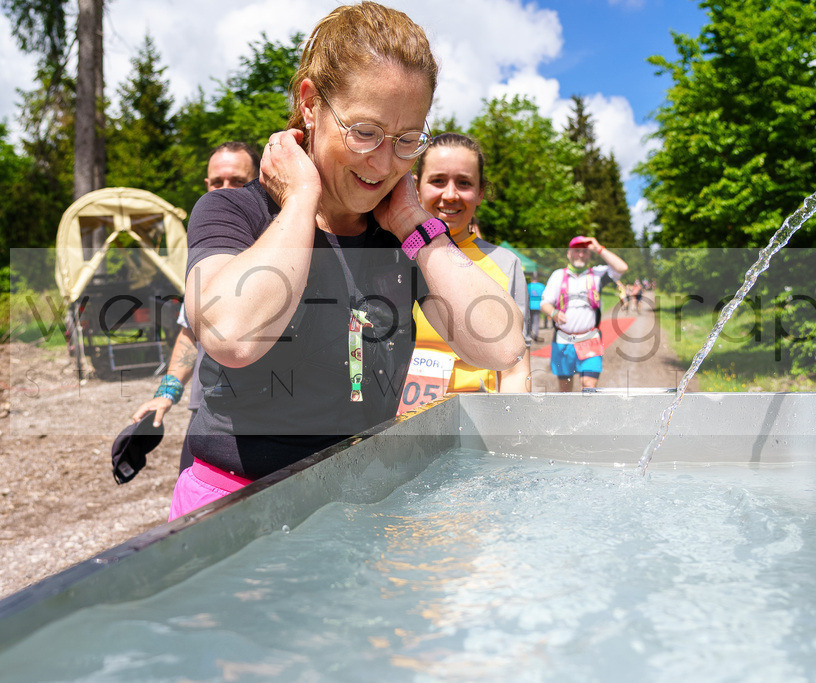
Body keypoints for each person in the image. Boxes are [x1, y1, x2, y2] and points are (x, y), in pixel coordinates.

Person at [171, 2, 524, 519]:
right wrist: (300, 201)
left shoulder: (400, 237)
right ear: (310, 104)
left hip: (357, 505)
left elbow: (501, 346)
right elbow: (233, 335)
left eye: (407, 141)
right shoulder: (232, 210)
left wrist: (415, 228)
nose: (383, 164)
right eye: (364, 132)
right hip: (237, 504)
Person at [130, 142, 260, 466]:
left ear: (259, 182)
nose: (225, 192)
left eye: (238, 182)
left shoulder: (280, 240)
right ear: (206, 185)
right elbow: (190, 331)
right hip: (206, 412)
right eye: (217, 183)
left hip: (268, 417)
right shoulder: (207, 247)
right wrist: (166, 394)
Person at [397, 133, 530, 413]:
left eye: (464, 183)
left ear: (481, 192)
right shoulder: (390, 255)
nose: (450, 194)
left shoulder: (505, 263)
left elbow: (516, 371)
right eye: (438, 180)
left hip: (471, 435)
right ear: (416, 187)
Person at [540, 235, 628, 392]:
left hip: (590, 339)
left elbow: (621, 268)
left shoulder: (597, 274)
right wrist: (553, 313)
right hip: (563, 340)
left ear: (589, 255)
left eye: (585, 252)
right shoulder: (558, 275)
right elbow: (544, 303)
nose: (581, 254)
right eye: (577, 251)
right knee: (565, 390)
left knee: (588, 387)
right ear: (569, 253)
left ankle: (586, 417)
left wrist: (599, 248)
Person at [528, 272, 545, 342]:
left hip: (529, 305)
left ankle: (528, 334)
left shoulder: (527, 286)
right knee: (536, 321)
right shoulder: (541, 286)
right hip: (537, 305)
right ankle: (535, 335)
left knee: (529, 321)